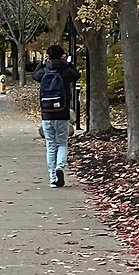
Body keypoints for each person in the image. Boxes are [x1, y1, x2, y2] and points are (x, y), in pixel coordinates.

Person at [34, 43, 80, 188]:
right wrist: (68, 63)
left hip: (47, 113)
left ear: (47, 56)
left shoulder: (44, 71)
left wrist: (42, 63)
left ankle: (53, 178)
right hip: (62, 112)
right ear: (62, 56)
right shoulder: (65, 71)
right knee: (62, 143)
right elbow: (76, 75)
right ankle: (60, 166)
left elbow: (35, 75)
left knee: (50, 145)